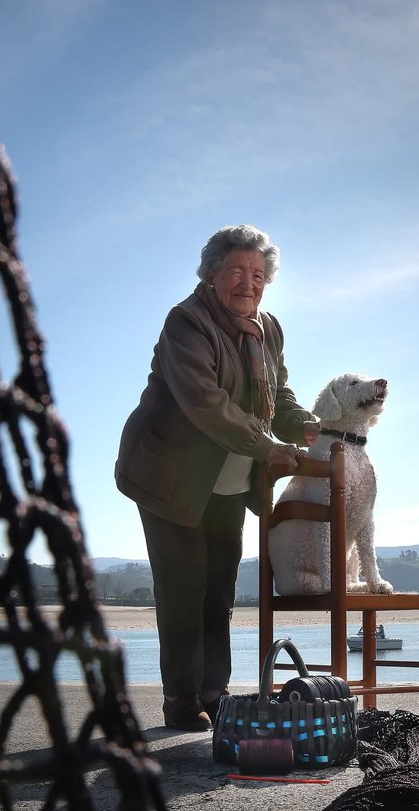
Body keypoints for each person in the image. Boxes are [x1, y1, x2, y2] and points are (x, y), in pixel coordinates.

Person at [115, 224, 318, 731]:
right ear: (210, 275)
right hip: (171, 478)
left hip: (231, 483)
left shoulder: (268, 328)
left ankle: (215, 692)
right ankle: (181, 701)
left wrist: (306, 424)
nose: (247, 283)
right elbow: (208, 403)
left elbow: (279, 392)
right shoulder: (187, 321)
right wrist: (269, 447)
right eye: (235, 271)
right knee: (183, 591)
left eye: (257, 273)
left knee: (218, 595)